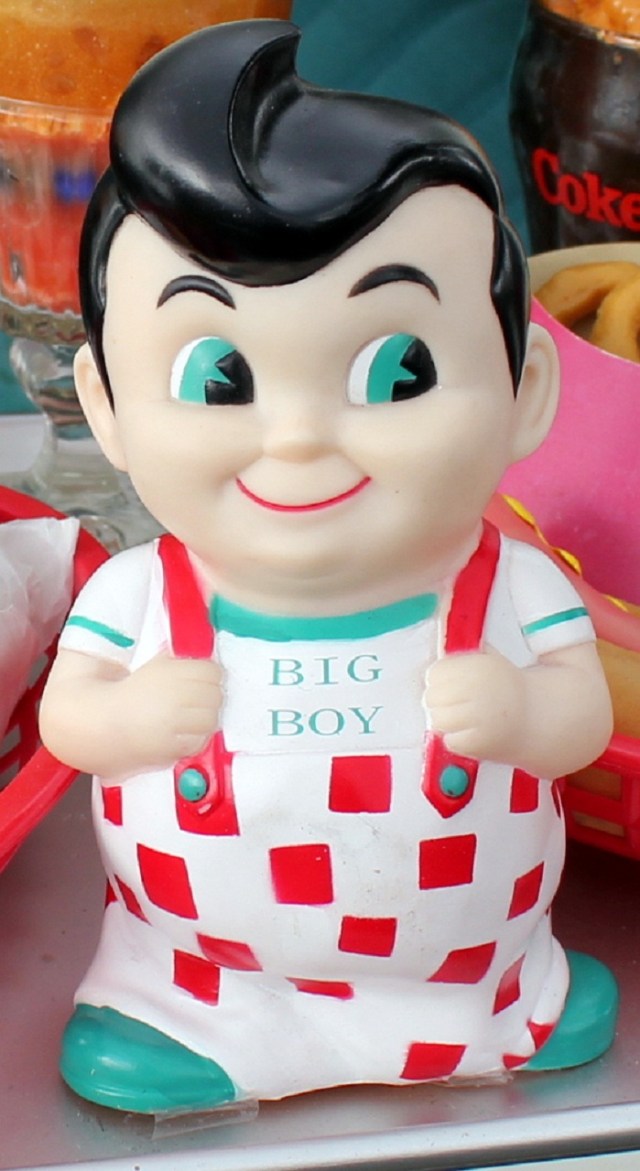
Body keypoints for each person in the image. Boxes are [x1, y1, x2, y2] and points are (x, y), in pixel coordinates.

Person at [39, 19, 616, 1116]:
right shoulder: (136, 594)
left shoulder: (515, 588)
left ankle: (499, 1008)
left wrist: (522, 713)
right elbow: (69, 718)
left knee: (502, 997)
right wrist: (125, 719)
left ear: (525, 389)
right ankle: (192, 1025)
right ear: (106, 406)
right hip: (206, 975)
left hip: (465, 971)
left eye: (396, 373)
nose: (298, 438)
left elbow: (579, 721)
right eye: (220, 379)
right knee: (184, 1008)